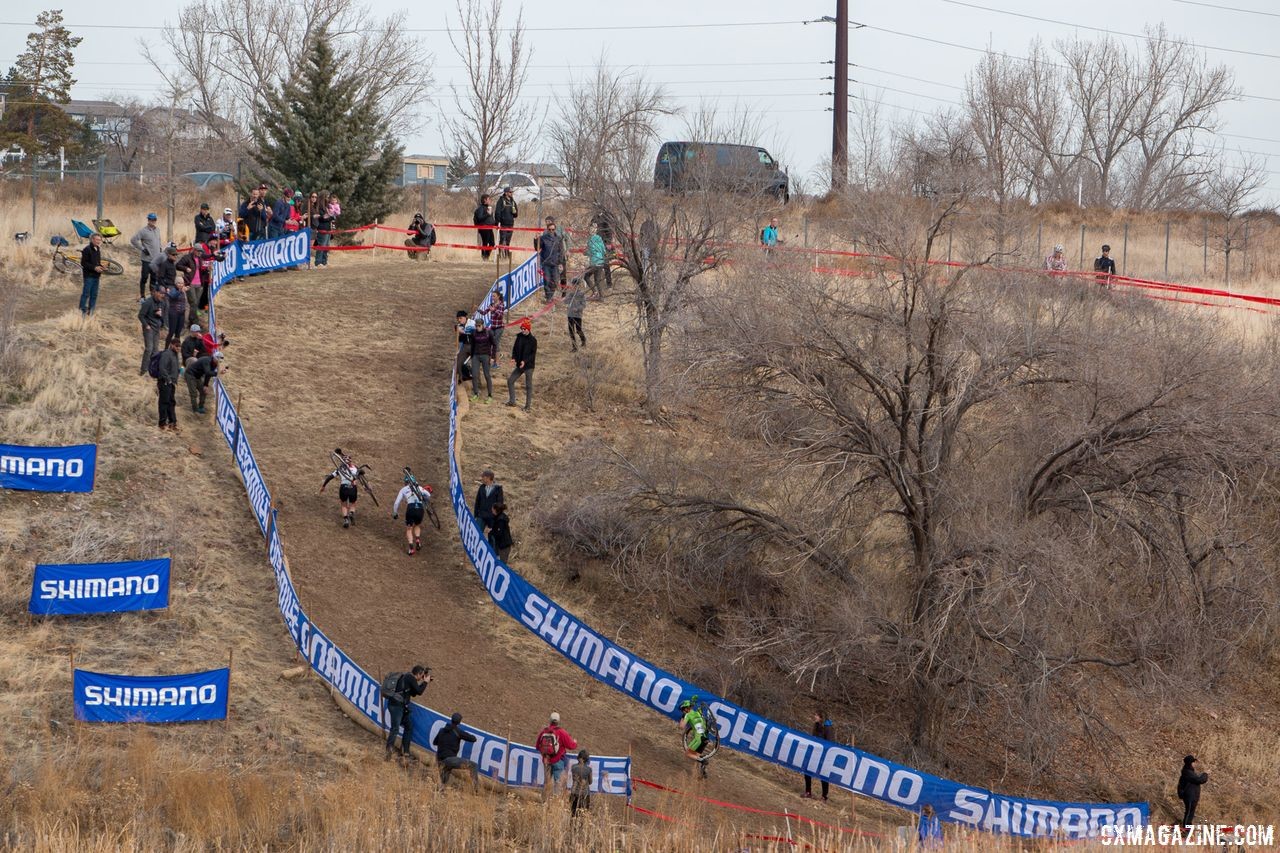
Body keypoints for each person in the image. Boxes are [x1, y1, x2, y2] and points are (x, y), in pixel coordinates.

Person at [383, 665, 431, 761]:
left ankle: (405, 752)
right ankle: (388, 751)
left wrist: (423, 682)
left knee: (409, 726)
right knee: (395, 728)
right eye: (421, 676)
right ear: (418, 674)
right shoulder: (410, 677)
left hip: (400, 706)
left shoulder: (408, 678)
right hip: (397, 706)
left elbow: (414, 693)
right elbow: (419, 691)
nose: (421, 678)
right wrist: (425, 682)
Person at [536, 712, 579, 799]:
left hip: (546, 761)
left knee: (547, 782)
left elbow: (537, 746)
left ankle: (544, 800)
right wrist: (575, 742)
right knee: (558, 783)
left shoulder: (544, 731)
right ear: (558, 721)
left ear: (550, 720)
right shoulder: (562, 732)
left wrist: (545, 754)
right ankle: (555, 802)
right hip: (558, 760)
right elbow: (571, 746)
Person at [433, 712, 479, 789]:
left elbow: (435, 742)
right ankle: (476, 790)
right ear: (459, 722)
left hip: (440, 760)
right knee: (473, 765)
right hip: (450, 760)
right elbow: (473, 739)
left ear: (451, 720)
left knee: (443, 783)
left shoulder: (441, 730)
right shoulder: (458, 731)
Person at [392, 476, 434, 556]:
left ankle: (411, 549)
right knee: (417, 525)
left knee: (409, 528)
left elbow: (397, 503)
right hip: (420, 508)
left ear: (405, 482)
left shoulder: (403, 489)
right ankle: (417, 540)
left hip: (411, 508)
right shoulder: (419, 487)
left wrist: (395, 512)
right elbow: (428, 495)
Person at [320, 451, 362, 528]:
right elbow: (362, 474)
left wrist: (323, 486)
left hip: (343, 487)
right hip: (353, 487)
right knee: (353, 503)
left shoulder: (339, 469)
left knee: (343, 504)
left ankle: (346, 519)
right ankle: (351, 513)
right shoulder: (356, 468)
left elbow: (330, 477)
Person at [505, 319, 537, 411]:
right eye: (521, 328)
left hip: (529, 366)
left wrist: (524, 361)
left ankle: (527, 406)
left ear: (528, 329)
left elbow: (532, 354)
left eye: (524, 329)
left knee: (528, 386)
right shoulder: (519, 337)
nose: (522, 330)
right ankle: (512, 401)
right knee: (510, 380)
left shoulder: (533, 340)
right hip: (520, 365)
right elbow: (515, 349)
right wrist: (513, 358)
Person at [130, 213, 162, 298]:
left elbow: (159, 241)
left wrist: (160, 249)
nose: (153, 221)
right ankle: (142, 295)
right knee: (144, 278)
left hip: (156, 260)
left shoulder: (158, 230)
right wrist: (143, 249)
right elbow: (133, 240)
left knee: (154, 278)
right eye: (151, 219)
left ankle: (153, 295)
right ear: (148, 220)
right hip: (146, 260)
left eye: (154, 219)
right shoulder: (143, 231)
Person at [802, 712, 833, 800]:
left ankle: (824, 796)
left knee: (823, 775)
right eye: (814, 714)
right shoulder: (816, 725)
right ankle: (808, 792)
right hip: (815, 752)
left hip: (824, 754)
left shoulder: (828, 728)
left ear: (821, 717)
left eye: (816, 715)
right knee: (807, 770)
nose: (814, 716)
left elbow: (829, 742)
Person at [679, 698, 712, 778]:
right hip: (705, 738)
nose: (682, 712)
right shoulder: (698, 712)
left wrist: (683, 717)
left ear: (686, 709)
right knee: (696, 756)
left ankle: (703, 761)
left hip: (698, 739)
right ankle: (702, 772)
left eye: (683, 710)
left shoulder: (687, 714)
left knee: (688, 753)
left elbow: (681, 727)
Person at [137, 287, 166, 376]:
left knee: (155, 350)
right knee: (149, 349)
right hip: (149, 328)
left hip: (156, 328)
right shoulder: (148, 302)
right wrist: (146, 325)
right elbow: (140, 315)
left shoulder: (162, 303)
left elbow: (162, 316)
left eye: (163, 294)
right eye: (161, 293)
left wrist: (160, 319)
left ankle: (152, 369)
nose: (162, 295)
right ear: (156, 292)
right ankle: (143, 370)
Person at [536, 217, 566, 301]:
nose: (551, 231)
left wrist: (561, 263)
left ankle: (550, 295)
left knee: (555, 281)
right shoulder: (543, 238)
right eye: (550, 229)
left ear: (555, 230)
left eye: (553, 229)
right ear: (547, 230)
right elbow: (537, 248)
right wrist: (536, 239)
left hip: (555, 264)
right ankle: (548, 297)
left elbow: (561, 251)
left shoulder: (559, 239)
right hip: (546, 263)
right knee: (547, 281)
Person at [184, 350, 224, 415]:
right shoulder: (207, 361)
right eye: (218, 361)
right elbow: (207, 372)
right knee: (193, 393)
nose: (218, 363)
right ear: (214, 358)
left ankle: (201, 407)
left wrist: (206, 385)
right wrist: (218, 373)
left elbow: (208, 375)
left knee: (203, 391)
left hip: (198, 376)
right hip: (190, 374)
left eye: (219, 362)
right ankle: (195, 409)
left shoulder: (214, 364)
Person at [156, 336, 181, 433]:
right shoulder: (167, 354)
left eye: (180, 346)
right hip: (165, 382)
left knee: (171, 402)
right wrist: (168, 379)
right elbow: (162, 368)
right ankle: (162, 423)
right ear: (171, 345)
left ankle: (172, 422)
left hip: (171, 383)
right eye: (177, 346)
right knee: (164, 402)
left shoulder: (175, 355)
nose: (178, 348)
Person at [469, 317, 496, 402]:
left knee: (487, 375)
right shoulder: (473, 333)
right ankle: (476, 394)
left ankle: (490, 395)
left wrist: (492, 357)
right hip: (476, 356)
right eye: (476, 326)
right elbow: (472, 345)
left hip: (485, 355)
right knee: (474, 375)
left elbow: (494, 345)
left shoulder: (489, 332)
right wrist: (471, 356)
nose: (477, 327)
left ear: (483, 325)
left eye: (479, 326)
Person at [1177, 755, 1208, 828]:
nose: (1195, 764)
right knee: (1189, 812)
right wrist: (1205, 774)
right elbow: (1199, 780)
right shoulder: (1187, 772)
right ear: (1191, 763)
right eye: (1194, 762)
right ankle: (1185, 828)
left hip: (1192, 795)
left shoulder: (1189, 771)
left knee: (1190, 812)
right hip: (1189, 795)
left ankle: (1188, 826)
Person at [478, 291, 506, 369]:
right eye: (492, 296)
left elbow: (500, 315)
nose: (492, 298)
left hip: (499, 328)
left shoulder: (501, 305)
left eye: (494, 296)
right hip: (492, 328)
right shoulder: (491, 305)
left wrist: (494, 310)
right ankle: (493, 360)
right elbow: (484, 312)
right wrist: (478, 309)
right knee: (491, 344)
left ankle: (497, 363)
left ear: (498, 297)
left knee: (496, 344)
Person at [79, 232, 104, 316]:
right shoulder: (87, 249)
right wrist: (94, 268)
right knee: (86, 294)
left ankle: (91, 311)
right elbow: (84, 263)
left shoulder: (98, 249)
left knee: (94, 295)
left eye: (100, 240)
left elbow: (96, 262)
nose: (98, 241)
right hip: (89, 276)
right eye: (97, 240)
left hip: (96, 276)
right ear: (92, 239)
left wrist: (101, 266)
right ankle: (82, 311)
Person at [583, 223, 607, 298]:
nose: (591, 230)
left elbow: (591, 251)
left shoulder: (591, 240)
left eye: (592, 229)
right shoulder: (600, 238)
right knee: (597, 280)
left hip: (594, 262)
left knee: (586, 276)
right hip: (601, 261)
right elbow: (604, 251)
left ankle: (595, 292)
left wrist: (585, 252)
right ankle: (601, 296)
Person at [563, 278, 587, 352]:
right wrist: (567, 294)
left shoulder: (581, 294)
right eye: (573, 285)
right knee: (571, 331)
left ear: (579, 286)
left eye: (576, 285)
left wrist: (577, 309)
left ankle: (583, 340)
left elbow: (584, 305)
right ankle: (574, 347)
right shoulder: (571, 293)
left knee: (578, 330)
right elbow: (566, 302)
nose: (574, 286)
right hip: (570, 314)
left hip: (577, 315)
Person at [495, 186, 518, 260]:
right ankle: (501, 256)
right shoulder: (501, 201)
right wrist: (497, 222)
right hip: (503, 224)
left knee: (508, 241)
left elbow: (516, 214)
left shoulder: (513, 202)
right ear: (506, 193)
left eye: (512, 192)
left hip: (511, 224)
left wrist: (514, 212)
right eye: (510, 192)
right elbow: (497, 212)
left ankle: (507, 256)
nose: (511, 193)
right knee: (502, 240)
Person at [569, 749, 592, 817]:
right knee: (583, 815)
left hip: (574, 793)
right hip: (585, 794)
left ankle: (572, 827)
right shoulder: (589, 769)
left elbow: (574, 779)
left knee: (573, 814)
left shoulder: (573, 767)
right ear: (586, 759)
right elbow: (590, 782)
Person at [474, 194, 497, 260]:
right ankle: (484, 257)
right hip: (483, 228)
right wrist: (487, 214)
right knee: (485, 243)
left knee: (492, 243)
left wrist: (495, 223)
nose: (490, 200)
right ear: (485, 200)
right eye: (489, 199)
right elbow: (480, 217)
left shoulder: (488, 208)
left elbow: (490, 219)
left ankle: (486, 256)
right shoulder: (480, 208)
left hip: (490, 228)